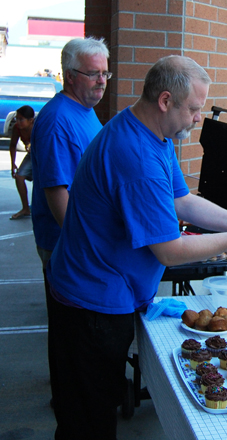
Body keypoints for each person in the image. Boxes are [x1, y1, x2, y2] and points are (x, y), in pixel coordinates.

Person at [45, 55, 227, 440]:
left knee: (93, 409)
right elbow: (169, 252)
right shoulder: (135, 154)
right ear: (165, 100)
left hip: (100, 292)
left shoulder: (153, 135)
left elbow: (183, 200)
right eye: (193, 108)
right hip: (90, 307)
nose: (196, 118)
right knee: (87, 424)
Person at [29, 36, 110, 413]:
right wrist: (86, 245)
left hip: (80, 237)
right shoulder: (58, 119)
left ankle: (71, 390)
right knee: (67, 327)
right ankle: (66, 399)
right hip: (65, 241)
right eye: (93, 74)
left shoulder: (84, 111)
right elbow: (57, 195)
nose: (101, 81)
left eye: (105, 73)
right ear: (69, 75)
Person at [9, 105, 35, 220]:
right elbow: (13, 145)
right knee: (19, 177)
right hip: (31, 155)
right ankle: (25, 208)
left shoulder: (36, 127)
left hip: (42, 154)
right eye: (17, 119)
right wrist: (13, 163)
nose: (18, 122)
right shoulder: (17, 128)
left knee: (40, 180)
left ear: (30, 120)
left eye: (21, 119)